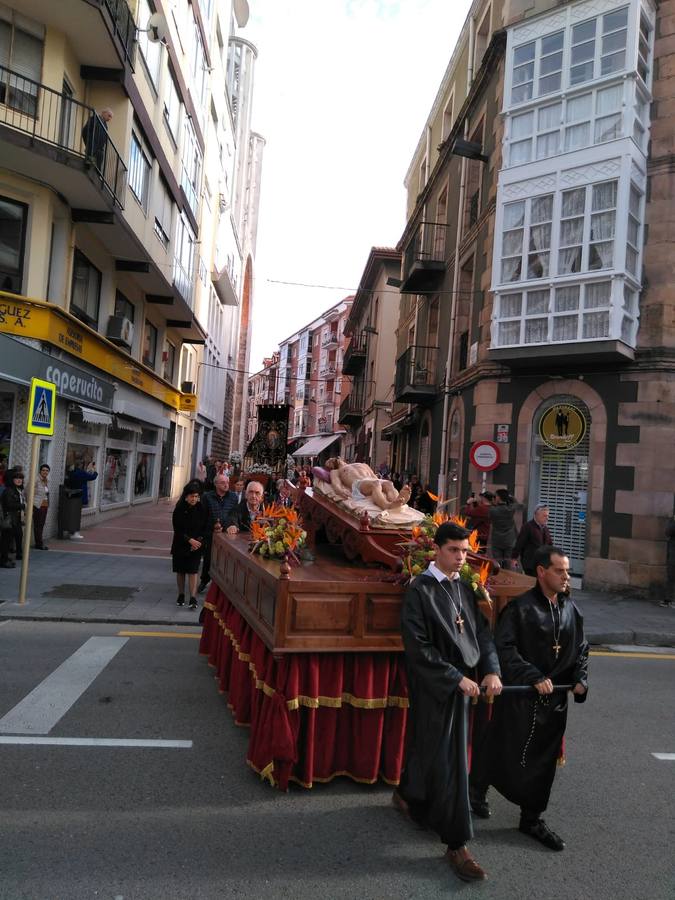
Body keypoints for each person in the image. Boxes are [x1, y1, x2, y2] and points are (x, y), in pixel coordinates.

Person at [394, 521, 502, 883]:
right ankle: (458, 844)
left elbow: (483, 635)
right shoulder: (419, 591)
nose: (461, 557)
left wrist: (491, 670)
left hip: (468, 685)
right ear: (436, 550)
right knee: (450, 762)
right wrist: (455, 678)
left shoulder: (465, 588)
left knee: (437, 751)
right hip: (435, 686)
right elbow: (418, 648)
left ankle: (409, 793)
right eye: (454, 550)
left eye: (465, 551)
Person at [470, 545, 588, 852]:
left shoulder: (571, 610)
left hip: (555, 702)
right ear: (541, 572)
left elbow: (581, 649)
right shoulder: (520, 609)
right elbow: (504, 648)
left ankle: (532, 818)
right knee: (504, 748)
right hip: (523, 697)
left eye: (567, 570)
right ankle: (476, 791)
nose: (566, 577)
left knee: (544, 761)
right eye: (559, 570)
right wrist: (533, 676)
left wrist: (580, 679)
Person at [171, 480, 209, 610]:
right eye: (192, 496)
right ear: (186, 496)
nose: (194, 499)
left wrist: (198, 541)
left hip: (196, 545)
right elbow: (178, 529)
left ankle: (193, 598)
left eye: (197, 496)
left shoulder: (201, 509)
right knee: (181, 570)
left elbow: (205, 527)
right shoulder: (179, 509)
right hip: (181, 544)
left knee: (193, 571)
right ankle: (181, 595)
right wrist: (189, 540)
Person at [198, 473, 238, 592]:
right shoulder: (207, 497)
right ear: (216, 484)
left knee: (225, 560)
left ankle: (222, 585)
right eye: (223, 482)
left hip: (227, 535)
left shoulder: (233, 497)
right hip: (210, 533)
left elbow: (234, 515)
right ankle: (204, 580)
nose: (226, 485)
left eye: (227, 482)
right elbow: (203, 516)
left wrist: (231, 526)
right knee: (209, 559)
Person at [324, 457, 412, 511]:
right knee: (375, 484)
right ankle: (386, 505)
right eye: (331, 461)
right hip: (358, 483)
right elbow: (336, 484)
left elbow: (374, 476)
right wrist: (340, 490)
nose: (334, 460)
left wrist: (382, 483)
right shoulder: (335, 471)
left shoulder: (362, 464)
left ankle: (397, 500)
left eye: (334, 459)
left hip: (371, 479)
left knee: (388, 483)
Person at [513, 504, 554, 575]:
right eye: (544, 516)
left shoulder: (545, 528)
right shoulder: (528, 527)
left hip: (541, 564)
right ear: (536, 515)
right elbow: (519, 543)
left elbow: (550, 544)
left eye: (548, 516)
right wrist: (514, 558)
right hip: (530, 564)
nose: (547, 518)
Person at [488, 488, 523, 568]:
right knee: (508, 563)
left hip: (497, 540)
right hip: (509, 540)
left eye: (496, 496)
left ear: (498, 497)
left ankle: (498, 578)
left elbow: (490, 514)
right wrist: (510, 497)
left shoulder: (493, 510)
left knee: (497, 563)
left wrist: (493, 504)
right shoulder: (510, 509)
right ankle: (507, 578)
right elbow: (516, 503)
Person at [66, 459, 98, 539]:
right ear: (81, 465)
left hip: (70, 496)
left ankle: (71, 531)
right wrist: (94, 470)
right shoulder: (80, 473)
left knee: (71, 514)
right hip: (78, 496)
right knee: (76, 515)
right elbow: (92, 477)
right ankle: (75, 532)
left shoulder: (71, 472)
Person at [0, 468, 26, 567]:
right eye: (16, 478)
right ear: (11, 479)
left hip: (15, 519)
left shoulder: (16, 490)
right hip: (9, 519)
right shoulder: (9, 491)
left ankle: (6, 557)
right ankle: (3, 560)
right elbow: (9, 505)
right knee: (6, 540)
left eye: (21, 478)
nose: (19, 480)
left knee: (14, 537)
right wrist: (22, 505)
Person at [31, 463, 51, 550]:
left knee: (41, 524)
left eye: (47, 470)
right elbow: (28, 492)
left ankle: (39, 542)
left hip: (45, 505)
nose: (45, 472)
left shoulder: (46, 480)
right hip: (37, 505)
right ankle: (39, 544)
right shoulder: (36, 480)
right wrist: (32, 503)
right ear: (40, 471)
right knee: (38, 525)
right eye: (43, 470)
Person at [662, 501, 675, 608]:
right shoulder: (673, 519)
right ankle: (669, 599)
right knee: (671, 576)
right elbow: (667, 532)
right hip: (673, 552)